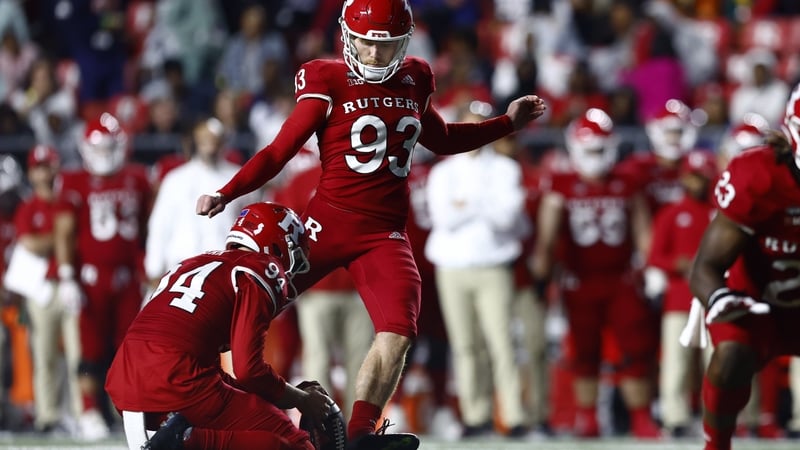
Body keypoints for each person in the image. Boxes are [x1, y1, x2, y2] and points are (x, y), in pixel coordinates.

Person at [195, 1, 547, 449]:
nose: (376, 54)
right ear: (347, 37)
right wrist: (228, 192)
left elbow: (441, 138)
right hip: (327, 223)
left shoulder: (416, 76)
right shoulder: (326, 77)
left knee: (399, 330)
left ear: (405, 42)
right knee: (244, 307)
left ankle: (361, 434)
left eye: (387, 45)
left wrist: (506, 124)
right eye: (366, 43)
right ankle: (189, 401)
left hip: (385, 234)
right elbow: (280, 150)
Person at [106, 201, 335, 450]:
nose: (291, 273)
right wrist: (301, 399)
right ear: (279, 245)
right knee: (293, 442)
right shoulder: (262, 269)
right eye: (295, 261)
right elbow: (249, 370)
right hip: (176, 380)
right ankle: (186, 440)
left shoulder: (191, 263)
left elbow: (213, 371)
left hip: (124, 377)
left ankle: (182, 438)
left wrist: (286, 394)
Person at [531, 108, 661, 439]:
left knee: (635, 350)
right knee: (584, 352)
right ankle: (587, 418)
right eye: (589, 149)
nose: (596, 157)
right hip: (579, 280)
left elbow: (642, 230)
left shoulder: (626, 182)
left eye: (601, 149)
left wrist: (652, 268)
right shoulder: (561, 185)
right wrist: (542, 276)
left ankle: (641, 417)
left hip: (621, 279)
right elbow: (547, 239)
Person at [688, 82, 800, 450]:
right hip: (755, 301)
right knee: (732, 353)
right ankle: (716, 445)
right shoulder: (758, 175)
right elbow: (705, 267)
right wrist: (719, 298)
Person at [424, 102, 530, 438]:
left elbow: (508, 218)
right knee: (464, 344)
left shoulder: (506, 168)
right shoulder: (442, 172)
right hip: (452, 267)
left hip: (493, 264)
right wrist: (485, 201)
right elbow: (444, 218)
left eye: (480, 124)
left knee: (502, 342)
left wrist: (466, 203)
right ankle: (475, 414)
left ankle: (513, 415)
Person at [53, 112, 153, 440]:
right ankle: (89, 410)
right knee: (91, 349)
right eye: (98, 148)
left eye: (109, 147)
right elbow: (64, 231)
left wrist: (148, 272)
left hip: (127, 277)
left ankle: (125, 409)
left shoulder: (136, 178)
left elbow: (145, 230)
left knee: (128, 349)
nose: (104, 154)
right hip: (91, 278)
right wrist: (67, 275)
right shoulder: (74, 180)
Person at [8, 146, 81, 433]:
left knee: (78, 355)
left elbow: (76, 239)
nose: (43, 172)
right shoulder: (28, 207)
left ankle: (82, 414)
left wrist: (58, 239)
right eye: (38, 167)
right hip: (42, 288)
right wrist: (62, 236)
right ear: (31, 172)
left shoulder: (69, 201)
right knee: (44, 355)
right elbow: (30, 244)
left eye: (47, 165)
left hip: (71, 283)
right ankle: (47, 416)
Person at [644, 149, 717, 437]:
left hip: (714, 299)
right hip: (679, 298)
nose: (697, 183)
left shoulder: (719, 213)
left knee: (717, 363)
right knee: (676, 362)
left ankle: (718, 416)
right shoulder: (672, 213)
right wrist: (678, 263)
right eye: (693, 176)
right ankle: (674, 417)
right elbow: (654, 257)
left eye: (702, 177)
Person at [145, 117, 260, 289]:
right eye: (205, 139)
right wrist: (154, 268)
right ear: (196, 141)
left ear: (223, 142)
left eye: (214, 140)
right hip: (180, 268)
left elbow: (251, 227)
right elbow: (160, 225)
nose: (210, 145)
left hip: (224, 271)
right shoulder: (175, 179)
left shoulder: (239, 178)